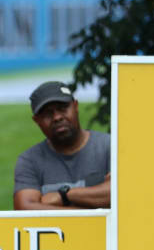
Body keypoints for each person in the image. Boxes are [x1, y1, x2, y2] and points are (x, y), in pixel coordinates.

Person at [14, 81, 110, 209]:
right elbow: (25, 208)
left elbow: (122, 193)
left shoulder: (109, 145)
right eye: (47, 113)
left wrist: (64, 196)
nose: (57, 117)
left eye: (62, 108)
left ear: (75, 106)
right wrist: (91, 209)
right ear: (37, 121)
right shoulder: (29, 160)